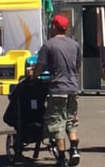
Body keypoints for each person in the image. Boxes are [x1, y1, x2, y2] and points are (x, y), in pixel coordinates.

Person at [33, 15, 82, 167]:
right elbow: (78, 66)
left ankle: (61, 158)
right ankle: (74, 150)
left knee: (57, 123)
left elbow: (40, 66)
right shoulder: (74, 44)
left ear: (54, 27)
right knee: (70, 120)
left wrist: (33, 76)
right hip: (73, 87)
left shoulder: (49, 45)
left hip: (57, 88)